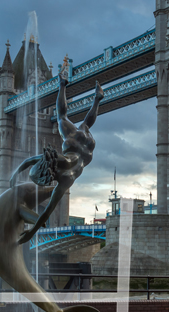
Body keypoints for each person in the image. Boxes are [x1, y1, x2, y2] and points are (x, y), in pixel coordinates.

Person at [11, 62, 103, 244]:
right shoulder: (53, 160)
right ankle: (67, 87)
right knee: (70, 120)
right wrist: (14, 176)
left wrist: (32, 232)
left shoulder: (65, 181)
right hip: (74, 144)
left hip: (87, 153)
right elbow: (29, 162)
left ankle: (96, 98)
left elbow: (47, 212)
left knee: (80, 123)